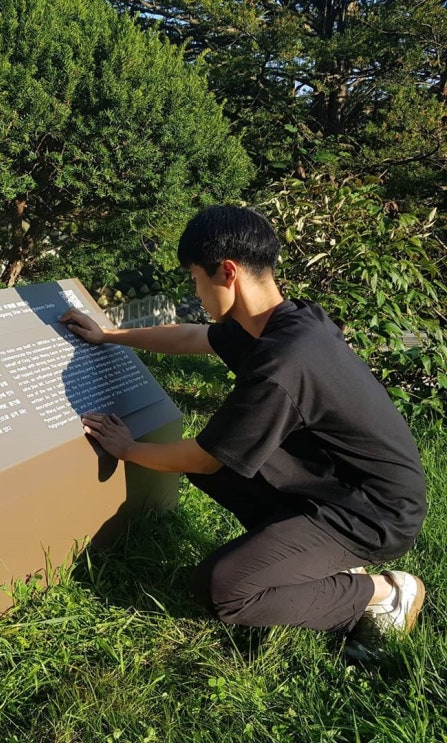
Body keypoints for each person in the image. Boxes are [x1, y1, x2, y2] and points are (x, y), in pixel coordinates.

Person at [60, 205, 427, 659]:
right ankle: (301, 557)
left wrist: (128, 448)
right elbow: (192, 338)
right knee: (218, 465)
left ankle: (383, 593)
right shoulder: (282, 322)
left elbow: (203, 456)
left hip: (375, 514)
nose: (194, 290)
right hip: (339, 483)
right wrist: (109, 336)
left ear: (227, 272)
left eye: (195, 278)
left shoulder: (285, 360)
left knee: (224, 588)